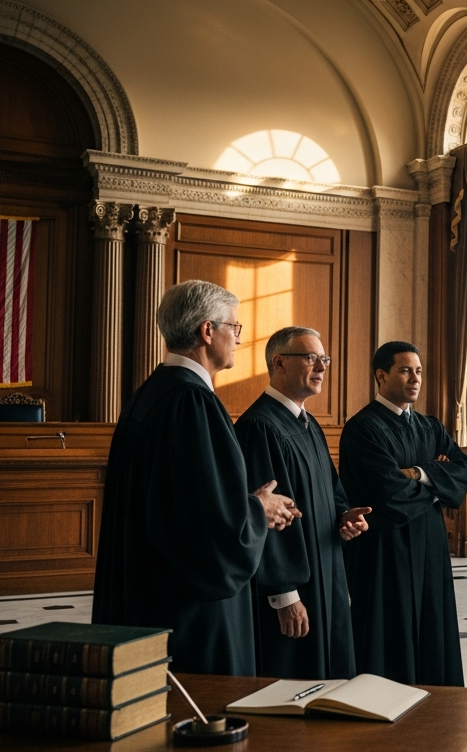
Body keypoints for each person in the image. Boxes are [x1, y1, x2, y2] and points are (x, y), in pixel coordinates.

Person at [93, 280, 300, 676]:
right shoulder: (192, 401)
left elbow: (186, 499)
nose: (238, 338)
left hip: (146, 592)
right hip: (189, 609)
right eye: (234, 328)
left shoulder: (153, 392)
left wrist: (245, 501)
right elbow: (210, 530)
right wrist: (258, 508)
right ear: (208, 331)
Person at [234, 326, 370, 680]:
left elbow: (333, 491)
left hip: (327, 571)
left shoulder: (309, 424)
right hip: (294, 586)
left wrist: (344, 516)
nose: (322, 367)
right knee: (294, 681)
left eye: (324, 358)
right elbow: (268, 517)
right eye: (311, 358)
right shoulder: (260, 427)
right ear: (279, 362)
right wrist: (284, 595)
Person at [340, 341, 467, 685]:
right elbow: (386, 493)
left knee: (433, 623)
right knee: (390, 628)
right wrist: (436, 482)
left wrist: (418, 473)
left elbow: (463, 469)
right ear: (381, 376)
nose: (415, 378)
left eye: (418, 371)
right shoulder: (363, 428)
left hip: (430, 544)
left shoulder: (429, 426)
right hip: (386, 548)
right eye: (405, 370)